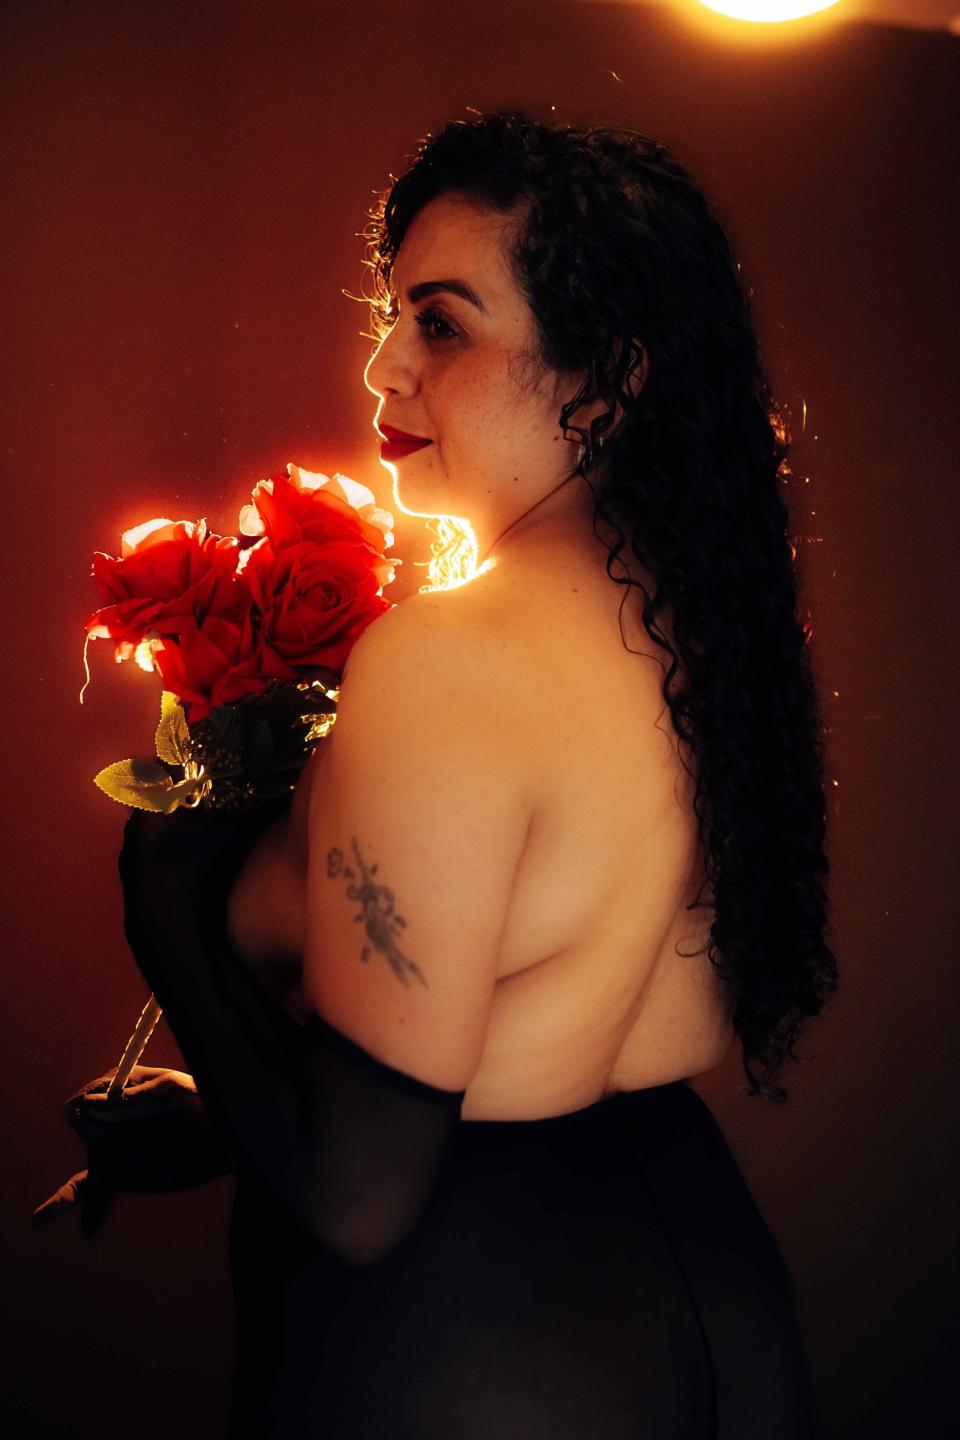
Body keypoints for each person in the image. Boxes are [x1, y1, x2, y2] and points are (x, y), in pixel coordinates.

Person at [35, 110, 838, 1437]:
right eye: (394, 314)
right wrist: (232, 1114)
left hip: (472, 1348)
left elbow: (360, 1196)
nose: (383, 366)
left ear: (608, 378)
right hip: (716, 1303)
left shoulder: (450, 662)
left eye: (444, 325)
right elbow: (513, 1032)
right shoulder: (694, 632)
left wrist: (167, 908)